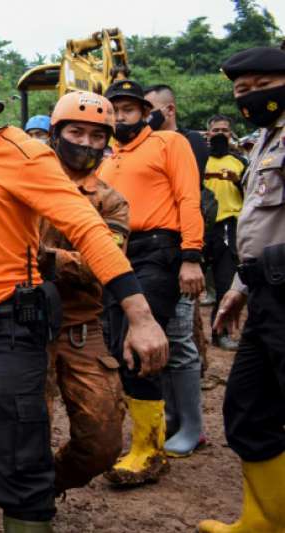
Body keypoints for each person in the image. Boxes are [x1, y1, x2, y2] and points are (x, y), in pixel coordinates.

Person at [0, 61, 168, 533]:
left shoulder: (23, 156)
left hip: (6, 330)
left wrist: (139, 314)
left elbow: (89, 230)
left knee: (21, 466)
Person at [96, 79, 204, 484]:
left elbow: (188, 197)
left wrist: (191, 255)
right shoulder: (107, 159)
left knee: (139, 341)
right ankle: (147, 436)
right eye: (114, 109)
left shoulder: (168, 144)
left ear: (145, 112)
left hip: (160, 248)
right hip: (117, 252)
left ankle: (148, 448)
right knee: (114, 341)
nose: (120, 116)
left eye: (128, 109)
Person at [199, 46, 285, 533]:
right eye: (241, 91)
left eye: (262, 87)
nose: (251, 98)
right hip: (264, 291)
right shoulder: (265, 143)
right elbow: (258, 224)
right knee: (247, 410)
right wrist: (237, 288)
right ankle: (264, 521)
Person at [39, 91, 130, 493]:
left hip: (80, 326)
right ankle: (31, 501)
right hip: (23, 324)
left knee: (103, 441)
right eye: (77, 132)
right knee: (27, 430)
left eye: (98, 136)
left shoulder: (111, 202)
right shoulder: (27, 184)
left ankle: (51, 481)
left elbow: (103, 263)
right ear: (56, 133)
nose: (87, 144)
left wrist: (47, 259)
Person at [142, 83, 210, 459]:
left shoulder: (186, 144)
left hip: (178, 251)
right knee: (164, 338)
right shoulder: (142, 148)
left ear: (168, 110)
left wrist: (191, 255)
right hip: (152, 257)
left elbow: (189, 201)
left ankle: (193, 427)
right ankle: (171, 418)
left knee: (181, 340)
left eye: (149, 108)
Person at [203, 114, 248, 351]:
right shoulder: (198, 160)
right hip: (201, 227)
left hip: (229, 227)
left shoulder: (241, 162)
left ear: (231, 134)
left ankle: (219, 333)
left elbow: (252, 194)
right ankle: (189, 339)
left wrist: (238, 181)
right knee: (187, 286)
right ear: (208, 133)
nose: (220, 133)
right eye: (215, 130)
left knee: (224, 283)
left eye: (224, 130)